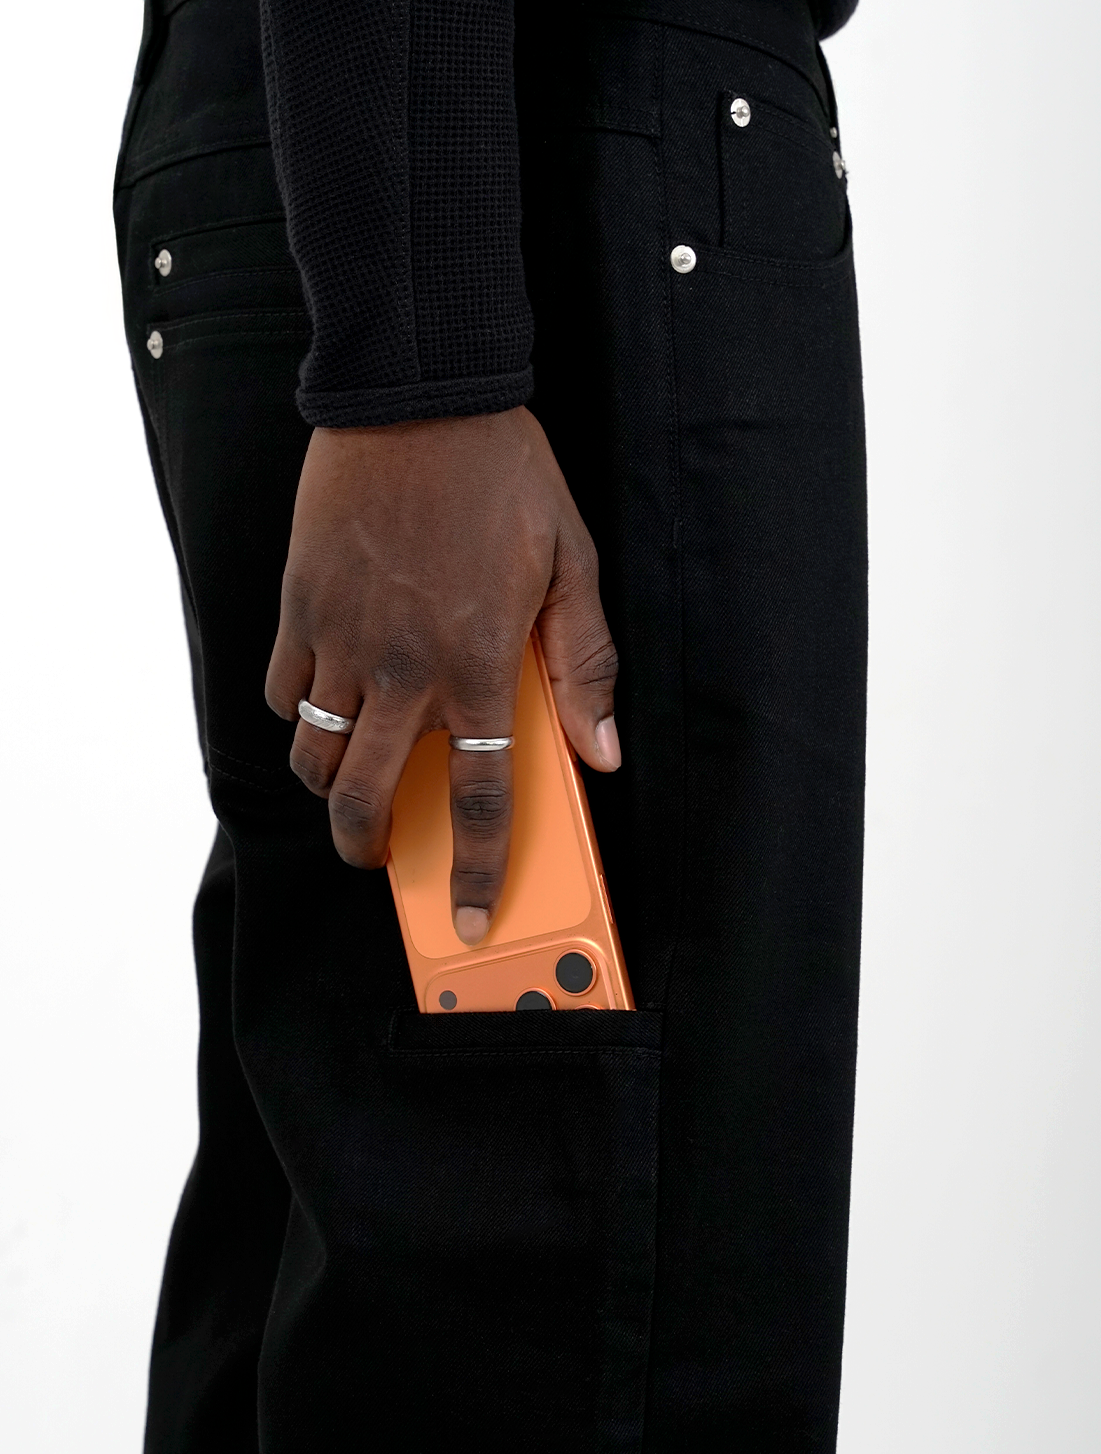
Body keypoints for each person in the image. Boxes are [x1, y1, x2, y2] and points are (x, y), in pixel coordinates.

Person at [114, 0, 866, 1447]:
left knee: (370, 1224)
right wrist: (421, 362)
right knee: (560, 1285)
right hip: (535, 171)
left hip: (392, 135)